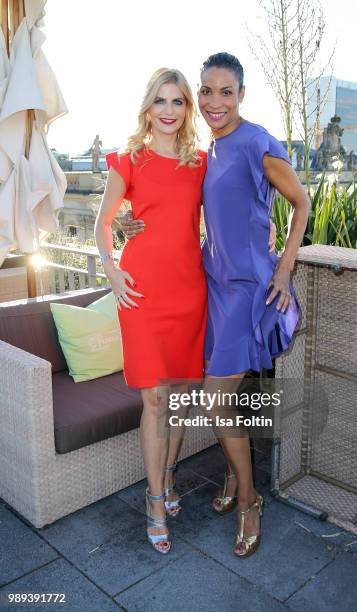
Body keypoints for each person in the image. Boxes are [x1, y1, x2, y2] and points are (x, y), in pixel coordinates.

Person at [121, 52, 310, 558]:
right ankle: (232, 476)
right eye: (206, 91)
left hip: (248, 288)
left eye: (225, 91)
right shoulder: (209, 150)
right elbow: (173, 203)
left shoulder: (255, 142)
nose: (214, 101)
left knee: (214, 398)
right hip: (209, 286)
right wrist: (128, 224)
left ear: (242, 95)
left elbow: (301, 201)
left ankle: (250, 500)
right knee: (218, 397)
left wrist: (285, 265)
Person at [94, 68, 208, 554]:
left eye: (178, 102)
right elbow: (102, 224)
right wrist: (112, 270)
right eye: (160, 101)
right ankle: (155, 500)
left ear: (187, 109)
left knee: (180, 396)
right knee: (155, 400)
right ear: (148, 107)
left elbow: (223, 211)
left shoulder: (200, 162)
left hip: (189, 291)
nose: (168, 110)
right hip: (140, 292)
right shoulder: (129, 160)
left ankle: (167, 475)